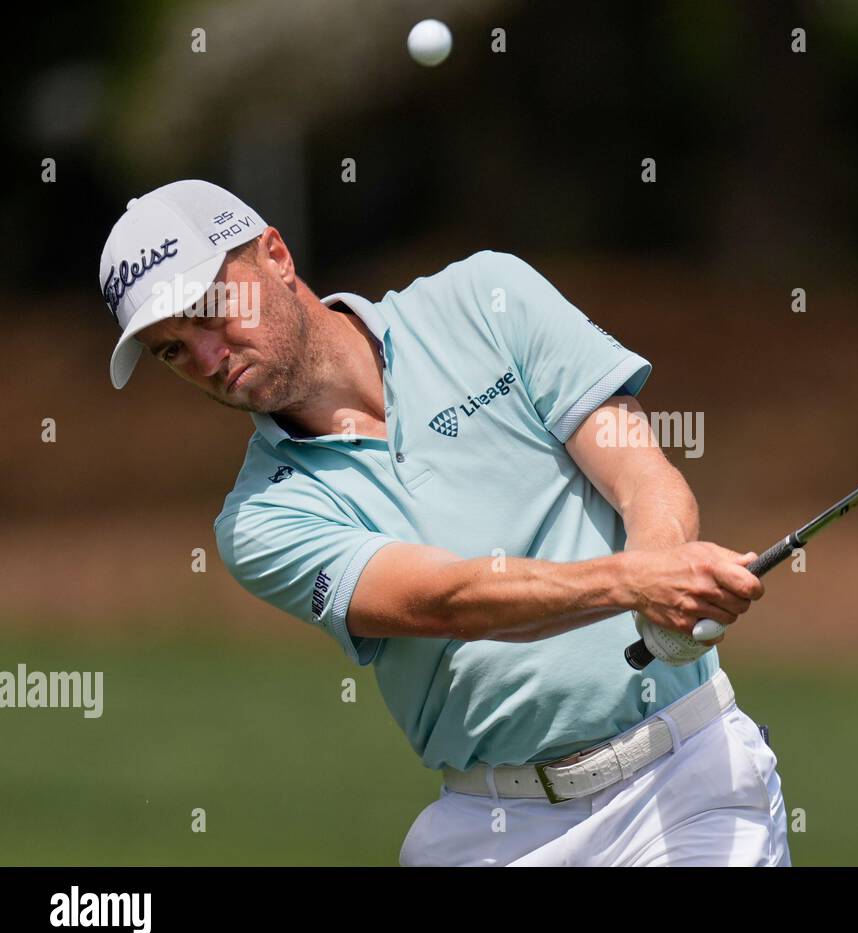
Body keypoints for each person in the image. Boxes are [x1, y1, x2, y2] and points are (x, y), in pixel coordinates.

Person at [100, 179, 790, 866]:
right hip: (495, 831)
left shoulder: (487, 297)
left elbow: (640, 474)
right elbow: (447, 601)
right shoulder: (260, 517)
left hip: (687, 780)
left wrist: (665, 569)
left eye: (213, 308)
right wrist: (637, 583)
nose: (209, 359)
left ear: (276, 255)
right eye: (172, 350)